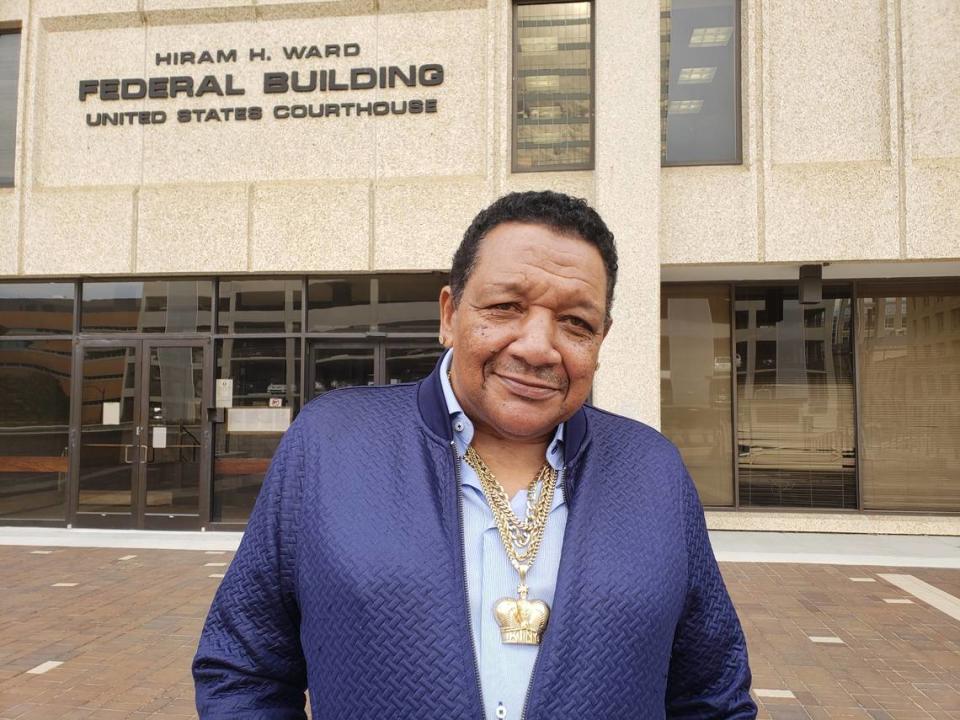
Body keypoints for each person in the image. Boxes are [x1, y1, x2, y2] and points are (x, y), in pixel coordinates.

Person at [193, 190, 756, 719]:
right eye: (507, 306)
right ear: (449, 314)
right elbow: (243, 667)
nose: (538, 347)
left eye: (575, 323)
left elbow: (712, 695)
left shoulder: (651, 470)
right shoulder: (331, 444)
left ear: (600, 342)